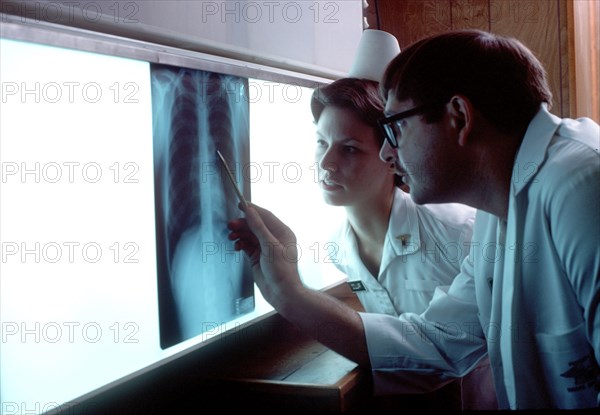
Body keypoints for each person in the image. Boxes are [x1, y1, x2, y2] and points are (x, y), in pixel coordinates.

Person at [228, 29, 599, 409]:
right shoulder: (499, 210)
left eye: (396, 126)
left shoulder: (582, 186)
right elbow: (433, 346)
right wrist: (287, 291)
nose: (388, 152)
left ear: (458, 116)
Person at [311, 76, 496, 409]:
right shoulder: (337, 248)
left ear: (391, 155)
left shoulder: (460, 230)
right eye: (321, 143)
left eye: (349, 149)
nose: (326, 163)